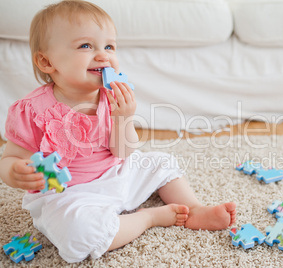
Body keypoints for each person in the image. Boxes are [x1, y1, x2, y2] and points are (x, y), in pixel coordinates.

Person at [0, 0, 236, 263]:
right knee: (80, 234)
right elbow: (10, 157)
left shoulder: (111, 96)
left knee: (160, 162)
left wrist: (124, 118)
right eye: (86, 46)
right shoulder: (32, 111)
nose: (103, 55)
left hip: (117, 173)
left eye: (109, 46)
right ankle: (147, 218)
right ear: (47, 61)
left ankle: (193, 208)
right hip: (70, 194)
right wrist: (14, 172)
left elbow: (123, 152)